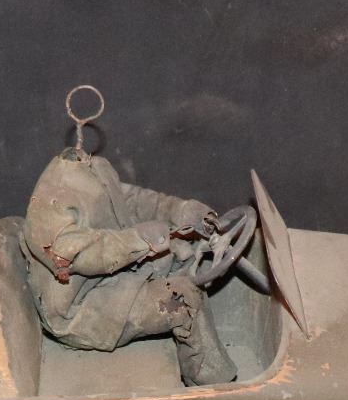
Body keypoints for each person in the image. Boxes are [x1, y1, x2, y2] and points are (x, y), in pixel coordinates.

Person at [21, 146, 237, 387]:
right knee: (185, 300)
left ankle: (196, 347)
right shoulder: (51, 203)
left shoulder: (93, 168)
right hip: (79, 308)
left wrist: (180, 210)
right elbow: (76, 253)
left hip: (107, 278)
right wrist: (138, 239)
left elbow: (130, 199)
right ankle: (214, 387)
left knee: (184, 252)